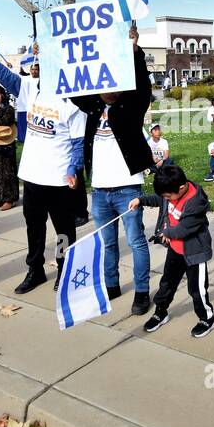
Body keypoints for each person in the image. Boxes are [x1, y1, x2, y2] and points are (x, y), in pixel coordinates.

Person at [0, 32, 85, 294]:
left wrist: (74, 168)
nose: (44, 71)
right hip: (32, 178)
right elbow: (5, 76)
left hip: (59, 181)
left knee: (64, 231)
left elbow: (78, 143)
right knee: (34, 228)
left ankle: (64, 268)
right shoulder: (31, 89)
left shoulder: (73, 102)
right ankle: (35, 270)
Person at [68, 25, 154, 316]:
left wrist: (134, 50)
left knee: (136, 240)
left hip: (128, 187)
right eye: (105, 83)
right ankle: (112, 284)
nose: (111, 89)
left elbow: (142, 86)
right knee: (108, 243)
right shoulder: (92, 108)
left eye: (116, 83)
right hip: (100, 191)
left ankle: (142, 292)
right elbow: (71, 88)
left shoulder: (131, 106)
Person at [128, 163, 214, 337]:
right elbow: (158, 199)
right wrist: (141, 200)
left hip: (193, 253)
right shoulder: (170, 194)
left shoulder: (195, 202)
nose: (166, 199)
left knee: (197, 289)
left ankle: (207, 318)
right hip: (175, 250)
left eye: (168, 196)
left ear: (181, 188)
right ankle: (161, 311)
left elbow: (185, 228)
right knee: (167, 283)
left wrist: (166, 233)